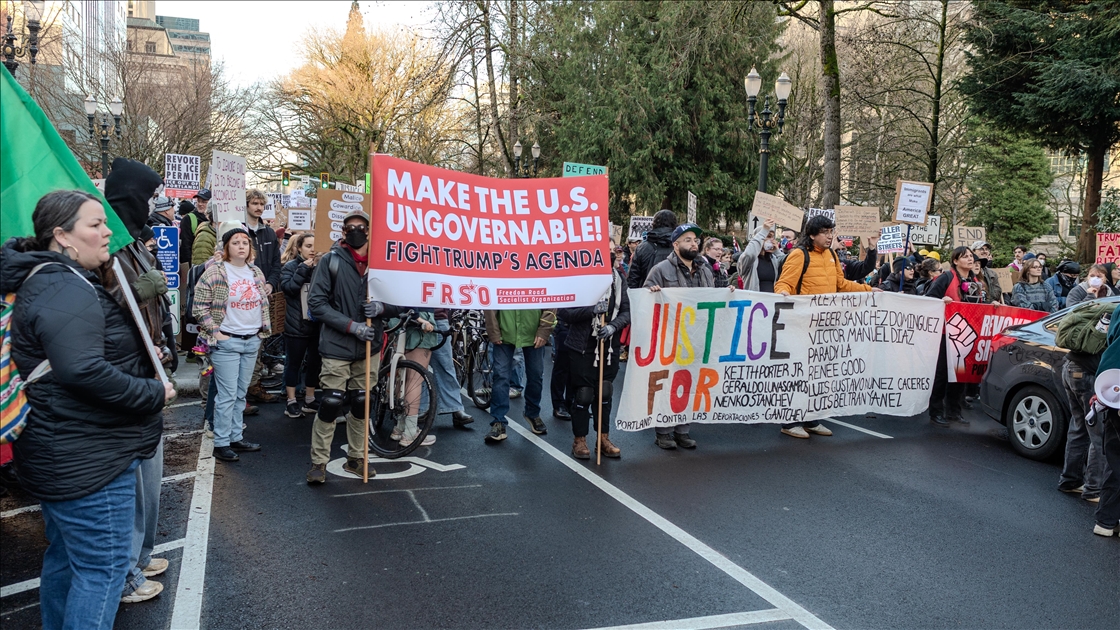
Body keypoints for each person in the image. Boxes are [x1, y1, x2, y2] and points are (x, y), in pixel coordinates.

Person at [1, 190, 174, 629]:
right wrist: (152, 392)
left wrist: (138, 351)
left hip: (67, 452)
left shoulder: (53, 278)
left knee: (66, 559)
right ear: (61, 235)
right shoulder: (63, 283)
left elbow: (73, 355)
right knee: (103, 571)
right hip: (89, 459)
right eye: (95, 224)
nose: (107, 232)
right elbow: (82, 371)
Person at [305, 210, 404, 484]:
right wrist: (351, 325)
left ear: (370, 230)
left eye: (361, 226)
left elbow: (403, 299)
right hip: (337, 345)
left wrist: (383, 307)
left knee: (362, 403)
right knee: (331, 402)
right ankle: (318, 462)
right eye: (351, 227)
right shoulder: (330, 261)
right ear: (343, 232)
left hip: (369, 348)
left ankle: (356, 458)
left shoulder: (382, 263)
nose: (356, 230)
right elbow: (316, 304)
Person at [773, 215, 874, 438]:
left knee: (818, 375)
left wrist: (868, 291)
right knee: (798, 374)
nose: (830, 236)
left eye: (831, 232)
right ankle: (789, 421)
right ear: (811, 234)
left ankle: (811, 419)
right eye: (825, 232)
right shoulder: (799, 255)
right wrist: (783, 293)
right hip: (801, 325)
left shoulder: (831, 255)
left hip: (825, 326)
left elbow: (841, 284)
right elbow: (784, 283)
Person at [192, 227, 270, 462]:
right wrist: (216, 332)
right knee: (226, 395)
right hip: (227, 341)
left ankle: (236, 436)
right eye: (235, 242)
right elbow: (199, 306)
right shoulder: (215, 271)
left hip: (251, 340)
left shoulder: (255, 271)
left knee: (240, 393)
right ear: (226, 248)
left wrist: (259, 333)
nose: (241, 246)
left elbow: (262, 303)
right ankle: (221, 442)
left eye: (245, 243)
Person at [644, 222, 714, 448]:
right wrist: (651, 293)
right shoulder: (660, 270)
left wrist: (728, 294)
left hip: (697, 338)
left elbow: (713, 298)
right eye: (688, 240)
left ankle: (683, 429)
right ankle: (663, 431)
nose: (694, 244)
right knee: (669, 383)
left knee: (691, 383)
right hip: (670, 337)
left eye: (695, 240)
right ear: (675, 245)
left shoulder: (704, 270)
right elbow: (644, 301)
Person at [559, 249, 630, 459]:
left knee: (605, 392)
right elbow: (564, 312)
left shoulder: (619, 281)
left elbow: (626, 311)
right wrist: (590, 311)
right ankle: (579, 440)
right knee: (584, 393)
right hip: (582, 346)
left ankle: (603, 438)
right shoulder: (578, 281)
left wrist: (612, 327)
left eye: (610, 267)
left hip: (608, 346)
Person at [1057, 301, 1111, 505]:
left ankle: (1070, 481)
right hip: (1089, 375)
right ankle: (1093, 489)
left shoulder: (1105, 309)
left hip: (1071, 368)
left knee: (1080, 427)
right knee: (1101, 435)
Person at [924, 246, 981, 427]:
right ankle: (936, 411)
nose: (970, 260)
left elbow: (978, 306)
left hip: (963, 335)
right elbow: (929, 299)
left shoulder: (975, 281)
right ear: (956, 261)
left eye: (971, 257)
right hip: (944, 334)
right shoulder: (946, 278)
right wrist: (941, 301)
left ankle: (954, 412)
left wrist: (992, 305)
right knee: (941, 374)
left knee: (960, 375)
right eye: (965, 257)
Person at [483, 304, 557, 442]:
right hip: (505, 331)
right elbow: (490, 301)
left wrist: (544, 331)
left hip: (533, 331)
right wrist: (493, 330)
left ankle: (532, 413)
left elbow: (550, 301)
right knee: (501, 376)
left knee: (536, 375)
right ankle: (498, 421)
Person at [243, 189, 282, 404]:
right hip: (241, 300)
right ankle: (244, 391)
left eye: (261, 204)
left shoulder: (268, 233)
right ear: (246, 205)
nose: (258, 207)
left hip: (263, 298)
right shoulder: (238, 230)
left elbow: (276, 264)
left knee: (259, 343)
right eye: (254, 203)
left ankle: (254, 385)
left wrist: (270, 283)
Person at [279, 233, 322, 418]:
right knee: (294, 364)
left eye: (315, 246)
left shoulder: (322, 267)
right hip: (296, 325)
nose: (312, 249)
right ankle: (291, 401)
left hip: (317, 325)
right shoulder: (290, 266)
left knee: (314, 364)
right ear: (299, 248)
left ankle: (310, 399)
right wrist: (303, 270)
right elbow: (288, 289)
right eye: (308, 246)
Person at [385, 310, 440, 447]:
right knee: (415, 379)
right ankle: (409, 432)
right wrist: (420, 318)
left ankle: (400, 426)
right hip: (419, 321)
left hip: (398, 320)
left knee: (402, 376)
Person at [430, 309, 474, 427]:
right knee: (416, 368)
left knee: (446, 365)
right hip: (417, 315)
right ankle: (419, 409)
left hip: (439, 317)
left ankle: (455, 407)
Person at [627, 209, 678, 289]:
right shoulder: (680, 246)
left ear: (653, 224)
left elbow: (633, 279)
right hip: (676, 298)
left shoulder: (642, 248)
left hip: (647, 296)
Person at [736, 219, 785, 292]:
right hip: (755, 301)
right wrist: (764, 231)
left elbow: (787, 265)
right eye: (768, 236)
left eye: (773, 237)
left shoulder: (773, 259)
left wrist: (777, 252)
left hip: (771, 301)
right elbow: (749, 254)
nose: (772, 240)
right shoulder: (750, 261)